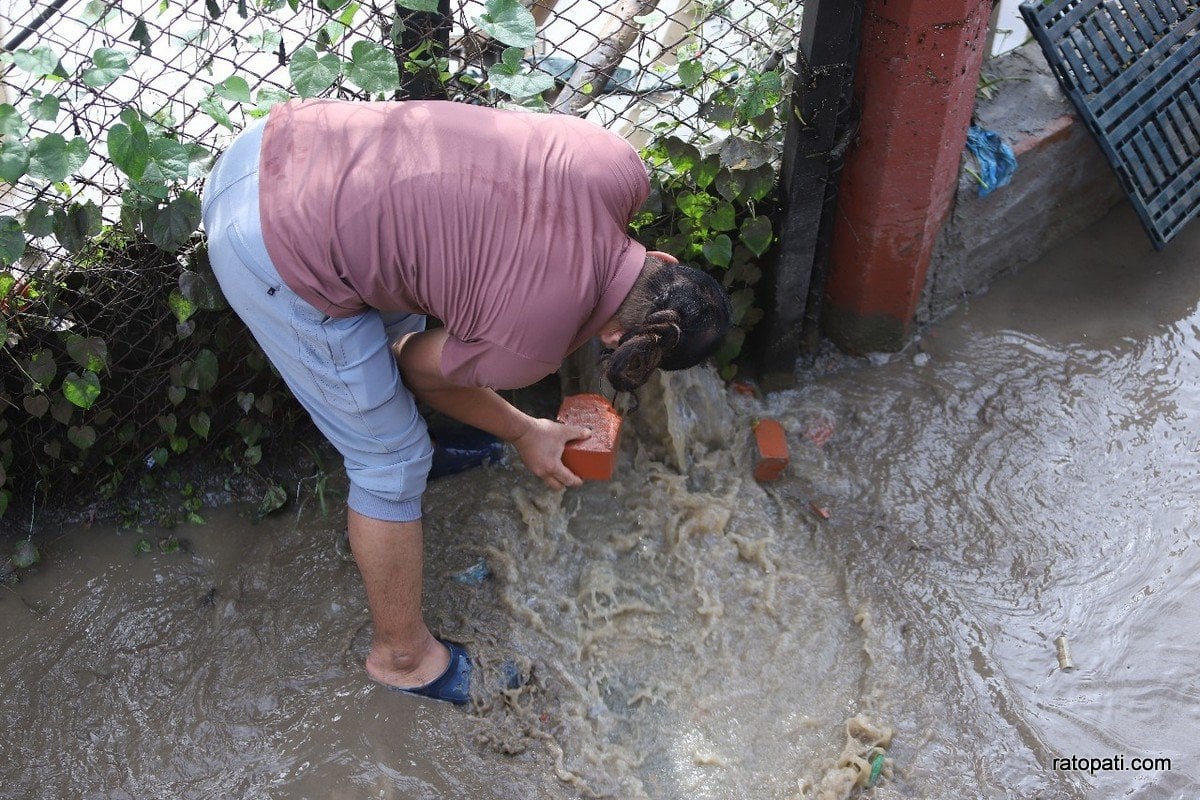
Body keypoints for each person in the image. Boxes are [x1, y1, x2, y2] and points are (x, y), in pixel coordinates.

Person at [200, 98, 732, 705]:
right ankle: (402, 658)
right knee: (388, 461)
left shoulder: (618, 164)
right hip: (267, 243)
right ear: (620, 340)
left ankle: (409, 444)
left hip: (287, 142)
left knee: (405, 286)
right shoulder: (532, 345)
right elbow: (414, 363)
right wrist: (527, 430)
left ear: (663, 260)